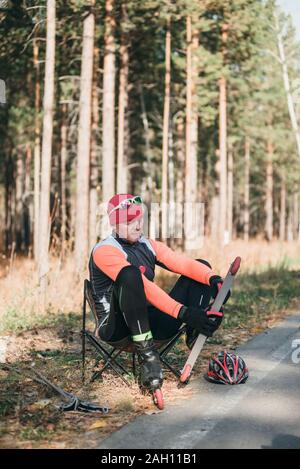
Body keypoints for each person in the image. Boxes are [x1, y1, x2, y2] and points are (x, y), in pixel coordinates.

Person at [89, 193, 229, 392]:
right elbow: (145, 287)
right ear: (115, 225)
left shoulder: (148, 245)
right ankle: (149, 359)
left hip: (150, 322)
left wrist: (214, 281)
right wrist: (184, 312)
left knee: (200, 268)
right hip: (117, 328)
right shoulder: (104, 250)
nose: (138, 226)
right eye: (130, 222)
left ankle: (194, 332)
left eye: (139, 220)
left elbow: (182, 263)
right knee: (130, 275)